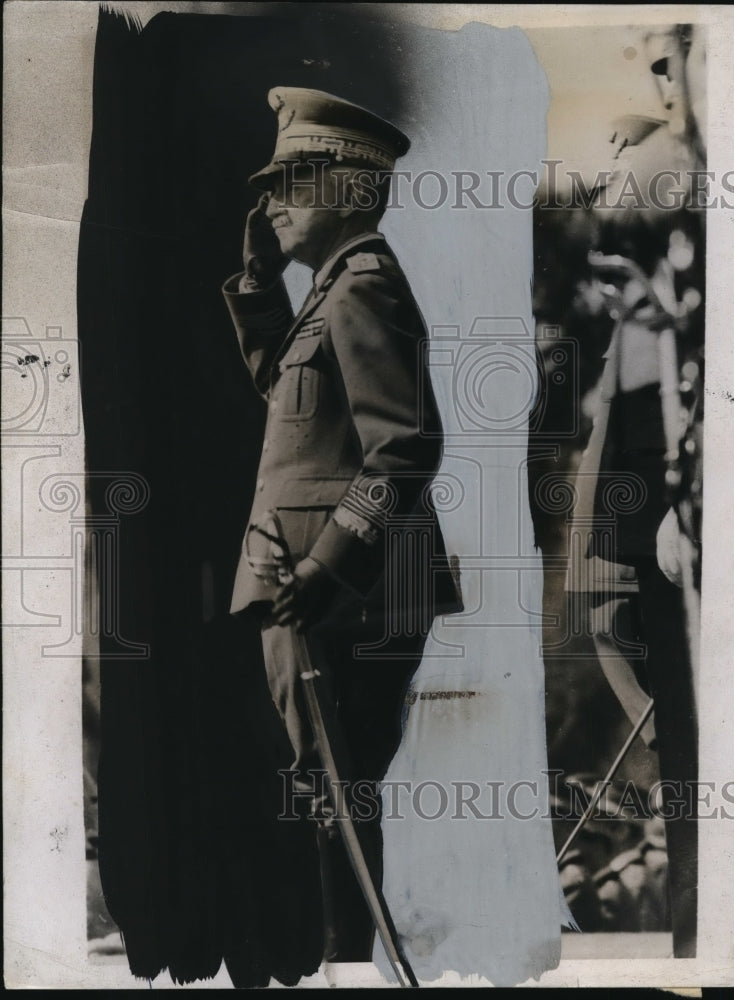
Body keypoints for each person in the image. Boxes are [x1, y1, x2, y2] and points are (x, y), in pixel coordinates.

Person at [221, 86, 462, 964]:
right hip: (318, 587)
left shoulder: (364, 285)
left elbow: (403, 449)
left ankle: (354, 969)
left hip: (348, 591)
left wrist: (324, 570)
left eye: (294, 179)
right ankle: (347, 965)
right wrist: (257, 288)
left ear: (354, 193)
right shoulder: (331, 292)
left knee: (337, 793)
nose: (273, 200)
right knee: (327, 789)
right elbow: (295, 404)